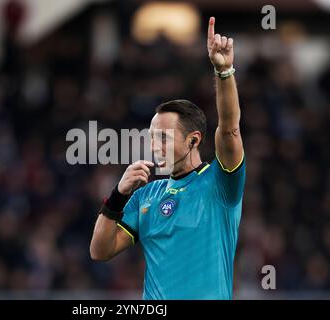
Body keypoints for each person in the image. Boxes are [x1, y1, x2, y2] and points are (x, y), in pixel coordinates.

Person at [90, 17, 246, 300]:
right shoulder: (145, 196)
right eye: (151, 137)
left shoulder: (220, 183)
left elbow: (230, 130)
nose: (154, 145)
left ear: (194, 140)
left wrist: (224, 73)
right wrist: (117, 196)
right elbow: (99, 251)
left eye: (163, 137)